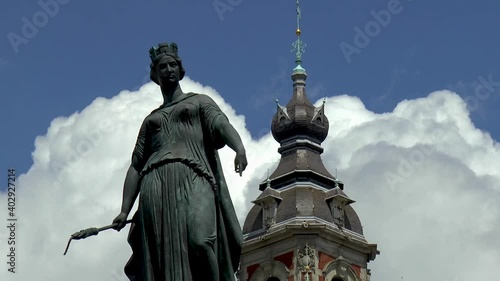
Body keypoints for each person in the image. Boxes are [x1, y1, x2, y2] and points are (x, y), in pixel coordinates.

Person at [112, 42, 247, 281]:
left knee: (201, 240)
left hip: (194, 177)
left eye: (173, 64)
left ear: (181, 69)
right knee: (162, 259)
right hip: (156, 186)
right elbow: (135, 166)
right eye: (162, 66)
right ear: (155, 74)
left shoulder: (199, 102)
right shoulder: (150, 120)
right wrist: (125, 210)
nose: (168, 70)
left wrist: (238, 147)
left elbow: (221, 125)